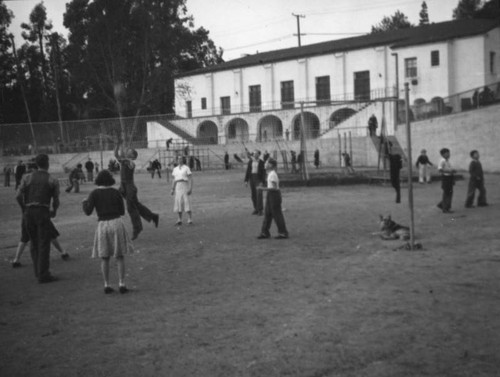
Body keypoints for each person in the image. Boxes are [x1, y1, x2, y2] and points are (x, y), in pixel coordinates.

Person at [83, 170, 133, 294]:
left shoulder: (94, 193)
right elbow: (122, 211)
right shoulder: (116, 192)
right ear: (110, 180)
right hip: (116, 222)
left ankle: (106, 284)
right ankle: (121, 283)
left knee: (105, 257)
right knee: (119, 255)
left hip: (103, 224)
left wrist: (84, 203)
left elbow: (88, 212)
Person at [16, 154, 60, 283]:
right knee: (44, 242)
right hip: (43, 211)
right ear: (47, 163)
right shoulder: (52, 180)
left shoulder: (27, 177)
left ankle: (38, 271)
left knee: (34, 242)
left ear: (36, 164)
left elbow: (18, 195)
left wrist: (24, 208)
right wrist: (54, 211)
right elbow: (56, 200)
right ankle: (43, 273)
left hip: (29, 211)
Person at [115, 138, 159, 240]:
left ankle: (137, 228)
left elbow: (118, 156)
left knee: (131, 208)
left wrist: (119, 145)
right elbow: (117, 154)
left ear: (133, 156)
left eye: (129, 151)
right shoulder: (125, 161)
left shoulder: (130, 163)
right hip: (124, 187)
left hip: (130, 187)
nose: (127, 151)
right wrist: (118, 145)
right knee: (136, 206)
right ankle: (153, 216)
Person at [257, 158, 289, 239]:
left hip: (274, 195)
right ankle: (265, 232)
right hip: (270, 195)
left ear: (271, 165)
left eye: (267, 163)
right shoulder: (270, 173)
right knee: (267, 214)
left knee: (277, 214)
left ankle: (283, 232)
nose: (265, 164)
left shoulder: (273, 174)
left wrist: (262, 189)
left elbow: (274, 188)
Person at [171, 156, 193, 225]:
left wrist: (190, 188)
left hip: (184, 185)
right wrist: (172, 189)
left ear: (183, 160)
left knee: (186, 201)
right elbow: (174, 179)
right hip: (178, 186)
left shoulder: (186, 168)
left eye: (181, 159)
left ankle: (189, 218)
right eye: (178, 159)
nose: (180, 160)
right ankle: (179, 219)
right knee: (178, 202)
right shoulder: (175, 169)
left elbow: (190, 179)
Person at [244, 150, 265, 215]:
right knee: (253, 195)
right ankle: (256, 208)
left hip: (258, 179)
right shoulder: (250, 162)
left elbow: (264, 173)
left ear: (259, 155)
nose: (255, 154)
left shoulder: (261, 162)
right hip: (252, 178)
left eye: (256, 153)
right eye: (254, 153)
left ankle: (260, 210)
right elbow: (248, 171)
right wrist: (246, 180)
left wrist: (262, 181)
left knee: (259, 194)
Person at [437, 148, 456, 213]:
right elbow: (440, 170)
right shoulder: (442, 161)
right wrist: (449, 171)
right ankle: (445, 208)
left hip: (450, 178)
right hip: (446, 178)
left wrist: (452, 171)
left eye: (449, 153)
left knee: (449, 193)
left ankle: (443, 205)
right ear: (442, 154)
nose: (448, 154)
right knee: (447, 193)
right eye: (446, 153)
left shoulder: (447, 160)